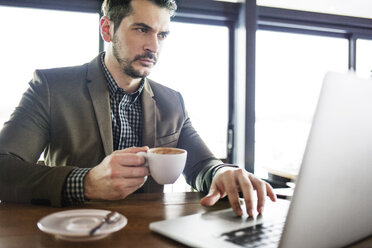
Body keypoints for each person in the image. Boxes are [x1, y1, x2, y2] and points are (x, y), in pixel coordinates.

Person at [0, 0, 276, 216]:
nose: (153, 46)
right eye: (142, 29)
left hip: (149, 234)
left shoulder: (172, 101)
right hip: (71, 234)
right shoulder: (51, 87)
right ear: (107, 29)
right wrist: (85, 182)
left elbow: (202, 165)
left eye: (163, 34)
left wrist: (222, 173)